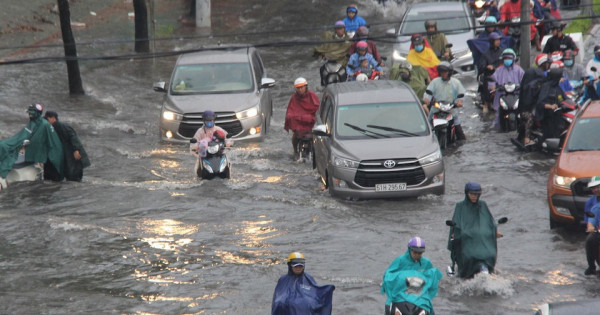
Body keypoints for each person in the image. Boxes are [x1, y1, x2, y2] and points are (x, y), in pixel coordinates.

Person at [448, 182, 503, 278]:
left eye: (477, 194)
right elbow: (455, 223)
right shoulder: (460, 206)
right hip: (467, 242)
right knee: (468, 257)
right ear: (466, 193)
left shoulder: (483, 205)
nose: (474, 196)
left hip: (481, 243)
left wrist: (495, 231)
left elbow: (490, 221)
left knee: (490, 254)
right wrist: (456, 234)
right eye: (472, 194)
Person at [0, 104, 64, 187]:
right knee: (4, 145)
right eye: (29, 113)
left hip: (35, 153)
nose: (30, 115)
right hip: (24, 148)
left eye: (32, 113)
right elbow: (21, 136)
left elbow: (54, 143)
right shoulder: (32, 123)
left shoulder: (45, 125)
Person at [381, 237, 442, 315]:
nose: (417, 255)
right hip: (401, 293)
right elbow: (388, 277)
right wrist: (402, 279)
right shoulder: (400, 261)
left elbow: (430, 279)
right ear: (409, 250)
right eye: (414, 252)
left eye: (419, 253)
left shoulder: (426, 263)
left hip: (419, 295)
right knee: (390, 306)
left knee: (429, 309)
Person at [423, 61, 467, 141]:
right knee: (427, 124)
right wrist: (427, 99)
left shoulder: (455, 82)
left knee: (460, 133)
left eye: (445, 72)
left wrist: (459, 102)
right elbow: (428, 92)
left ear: (449, 72)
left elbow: (462, 93)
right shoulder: (435, 82)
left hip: (451, 108)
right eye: (442, 72)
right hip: (437, 107)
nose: (443, 74)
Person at [43, 111, 90, 182]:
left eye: (47, 119)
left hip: (74, 154)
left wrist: (76, 150)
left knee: (73, 176)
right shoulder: (53, 127)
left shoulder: (61, 125)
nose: (46, 121)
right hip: (69, 154)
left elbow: (73, 136)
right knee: (70, 176)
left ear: (53, 118)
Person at [517, 53, 551, 146]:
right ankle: (527, 139)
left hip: (528, 107)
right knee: (530, 117)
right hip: (528, 109)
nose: (548, 65)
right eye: (547, 63)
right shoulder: (540, 78)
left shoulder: (540, 77)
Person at [284, 78, 320, 156]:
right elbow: (290, 109)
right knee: (295, 135)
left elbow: (317, 108)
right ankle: (295, 150)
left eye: (302, 87)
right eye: (298, 88)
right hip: (298, 123)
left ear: (305, 87)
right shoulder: (294, 97)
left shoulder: (312, 95)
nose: (300, 90)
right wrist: (290, 116)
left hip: (310, 122)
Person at [489, 48, 524, 127]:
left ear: (513, 59)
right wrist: (492, 87)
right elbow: (492, 80)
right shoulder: (498, 70)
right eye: (505, 58)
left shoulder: (519, 70)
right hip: (502, 95)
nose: (507, 60)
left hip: (516, 95)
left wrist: (523, 86)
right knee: (498, 114)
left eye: (509, 58)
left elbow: (524, 80)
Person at [535, 67, 568, 140]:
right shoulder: (546, 87)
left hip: (558, 113)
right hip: (547, 115)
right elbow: (540, 102)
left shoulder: (557, 87)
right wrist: (550, 106)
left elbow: (564, 98)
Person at [478, 32, 505, 114]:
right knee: (487, 84)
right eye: (496, 40)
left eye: (498, 40)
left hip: (502, 75)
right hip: (490, 76)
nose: (498, 42)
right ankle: (486, 103)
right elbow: (481, 66)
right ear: (491, 41)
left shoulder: (503, 52)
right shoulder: (486, 54)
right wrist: (487, 67)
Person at [584, 176, 600, 276]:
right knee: (590, 240)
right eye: (593, 188)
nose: (596, 189)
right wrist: (590, 227)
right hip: (598, 230)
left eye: (597, 186)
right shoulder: (593, 205)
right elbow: (590, 219)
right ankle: (591, 266)